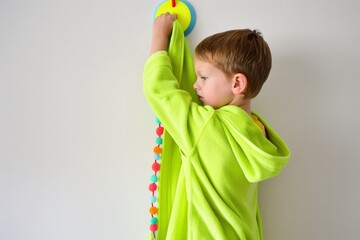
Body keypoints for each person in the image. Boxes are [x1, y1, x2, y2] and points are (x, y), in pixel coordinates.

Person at [143, 13, 290, 240]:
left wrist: (159, 36)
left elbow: (160, 91)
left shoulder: (207, 127)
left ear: (237, 83)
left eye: (203, 77)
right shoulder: (258, 132)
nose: (195, 84)